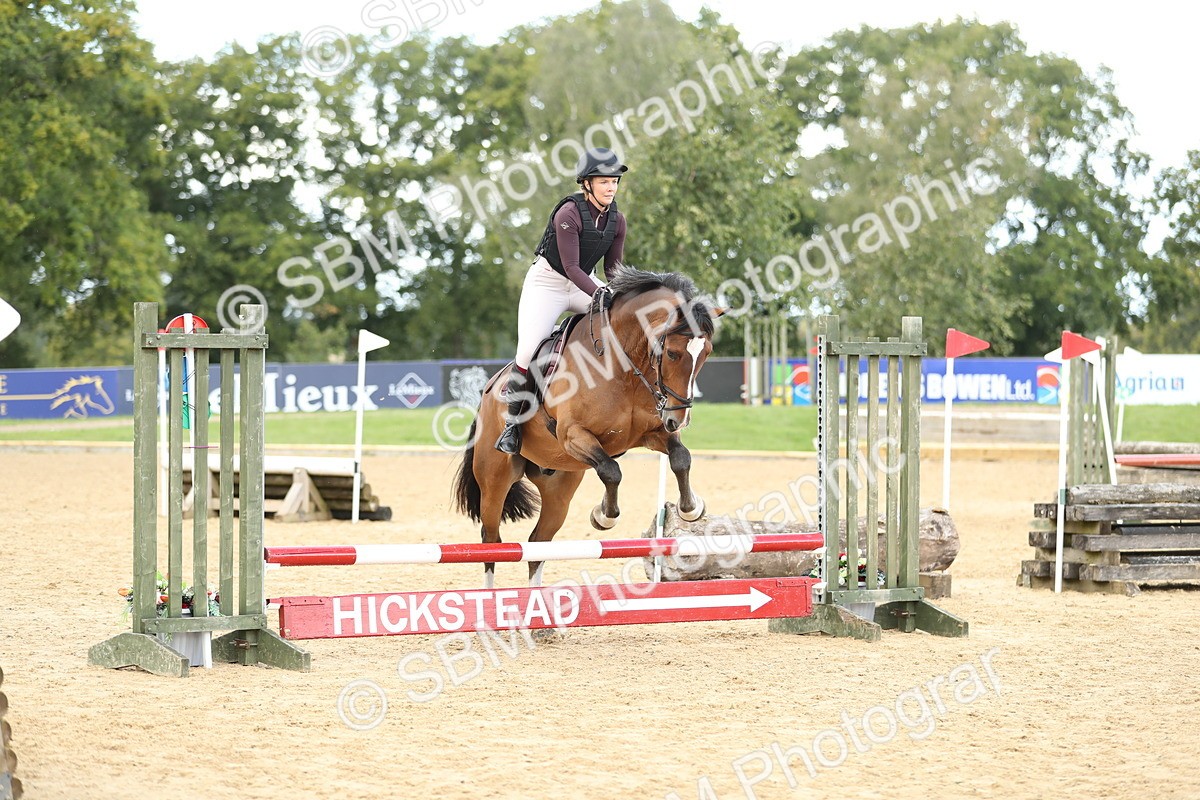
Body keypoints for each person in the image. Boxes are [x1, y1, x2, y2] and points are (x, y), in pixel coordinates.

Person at [494, 147, 629, 455]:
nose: (611, 188)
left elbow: (612, 270)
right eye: (604, 181)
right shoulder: (568, 213)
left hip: (584, 283)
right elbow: (570, 267)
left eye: (614, 182)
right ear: (587, 184)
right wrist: (599, 293)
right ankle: (513, 425)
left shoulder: (617, 220)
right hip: (548, 284)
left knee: (621, 323)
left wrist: (621, 294)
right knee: (528, 349)